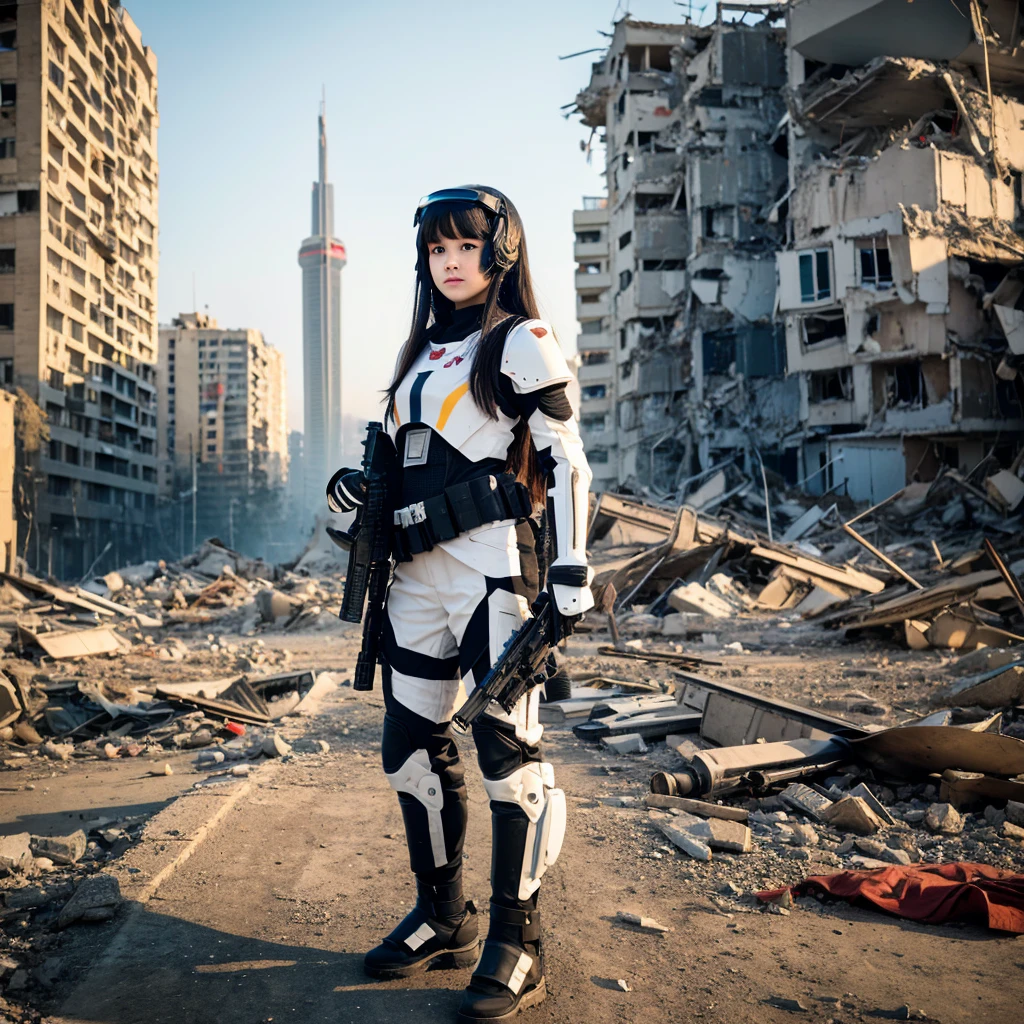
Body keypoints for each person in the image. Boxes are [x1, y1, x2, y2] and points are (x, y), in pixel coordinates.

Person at [327, 186, 592, 1023]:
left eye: (466, 247)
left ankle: (521, 939)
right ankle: (445, 917)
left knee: (508, 752)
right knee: (410, 749)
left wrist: (573, 573)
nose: (450, 262)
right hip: (413, 582)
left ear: (500, 253)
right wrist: (361, 495)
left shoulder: (519, 342)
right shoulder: (416, 354)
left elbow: (567, 461)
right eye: (437, 249)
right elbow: (411, 464)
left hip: (491, 573)